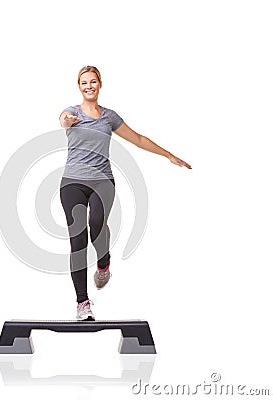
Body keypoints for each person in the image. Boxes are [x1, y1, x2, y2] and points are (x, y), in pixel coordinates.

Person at [59, 66, 191, 321]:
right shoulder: (71, 113)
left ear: (100, 84)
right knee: (78, 241)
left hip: (102, 181)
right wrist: (66, 121)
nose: (89, 86)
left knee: (97, 223)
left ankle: (104, 263)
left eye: (93, 81)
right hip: (72, 183)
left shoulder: (109, 117)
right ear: (79, 86)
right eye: (84, 82)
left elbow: (139, 139)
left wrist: (169, 155)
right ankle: (82, 302)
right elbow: (63, 120)